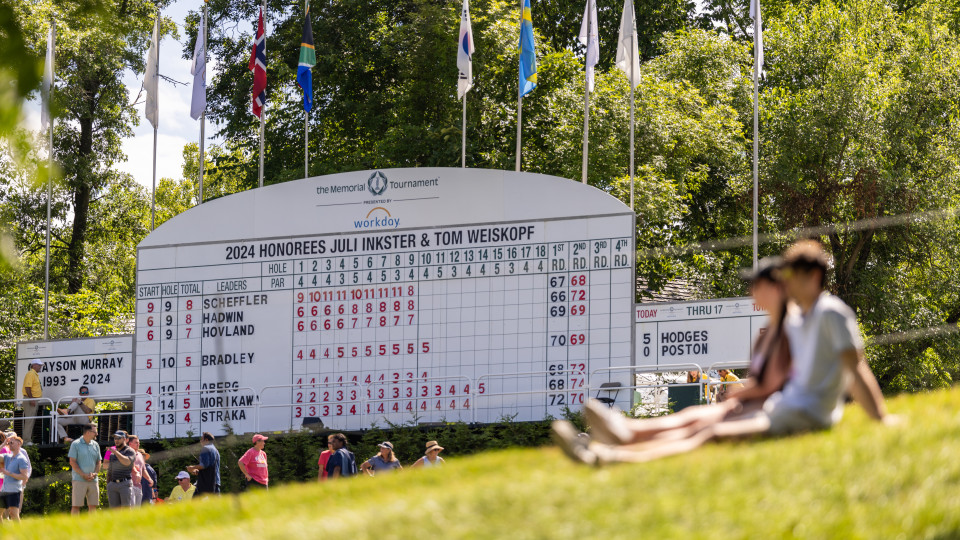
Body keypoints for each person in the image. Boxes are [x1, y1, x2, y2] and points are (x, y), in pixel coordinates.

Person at [553, 256, 794, 464]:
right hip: (756, 405)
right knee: (690, 416)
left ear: (777, 289)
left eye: (758, 285)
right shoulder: (769, 332)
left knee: (701, 428)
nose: (753, 291)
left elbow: (770, 385)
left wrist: (735, 395)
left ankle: (615, 452)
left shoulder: (790, 329)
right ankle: (623, 433)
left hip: (770, 409)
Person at [67, 423, 101, 515]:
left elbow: (98, 461)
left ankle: (93, 528)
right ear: (88, 432)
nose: (96, 434)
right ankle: (74, 528)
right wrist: (83, 475)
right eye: (95, 432)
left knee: (93, 506)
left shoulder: (96, 445)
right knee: (76, 506)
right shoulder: (75, 444)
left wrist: (95, 473)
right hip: (79, 480)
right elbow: (72, 462)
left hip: (93, 480)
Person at [0, 436, 30, 522]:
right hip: (4, 490)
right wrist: (3, 444)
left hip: (14, 491)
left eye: (12, 443)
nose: (10, 445)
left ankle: (20, 533)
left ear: (19, 443)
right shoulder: (7, 457)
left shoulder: (21, 459)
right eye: (9, 443)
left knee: (13, 514)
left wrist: (8, 473)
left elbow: (24, 476)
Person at [106, 430, 137, 508]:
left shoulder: (129, 450)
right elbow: (107, 468)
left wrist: (116, 452)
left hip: (125, 483)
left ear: (124, 439)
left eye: (118, 438)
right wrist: (108, 484)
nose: (116, 440)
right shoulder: (112, 452)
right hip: (112, 484)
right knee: (114, 511)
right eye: (115, 438)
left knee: (125, 510)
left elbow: (127, 462)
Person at [21, 359, 43, 444]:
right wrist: (31, 399)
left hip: (33, 399)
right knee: (29, 420)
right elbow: (27, 387)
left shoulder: (34, 374)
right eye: (39, 365)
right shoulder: (31, 374)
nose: (40, 367)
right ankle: (26, 441)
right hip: (30, 399)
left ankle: (28, 440)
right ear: (34, 365)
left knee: (31, 420)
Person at [127, 434, 146, 505]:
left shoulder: (140, 455)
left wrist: (149, 479)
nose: (138, 444)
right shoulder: (126, 453)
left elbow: (144, 469)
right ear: (130, 443)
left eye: (139, 443)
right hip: (129, 485)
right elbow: (129, 465)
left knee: (137, 511)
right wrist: (135, 471)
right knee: (130, 510)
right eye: (136, 443)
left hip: (139, 486)